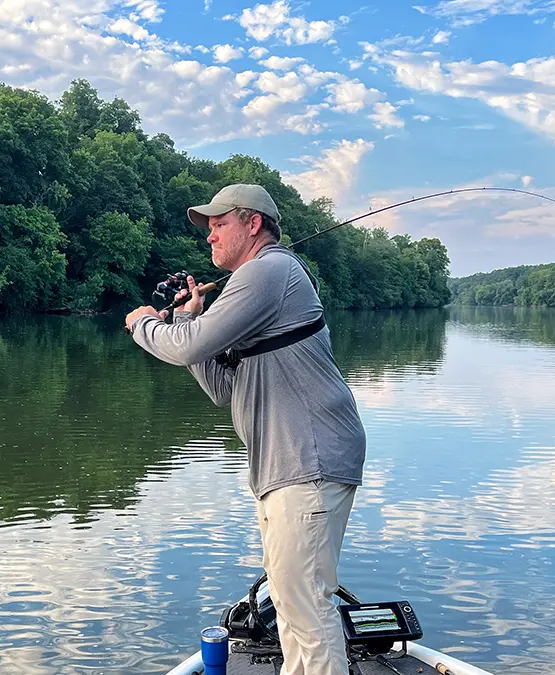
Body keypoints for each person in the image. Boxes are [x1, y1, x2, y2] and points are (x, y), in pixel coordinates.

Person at [124, 183, 367, 675]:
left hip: (309, 458)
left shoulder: (268, 270)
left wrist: (146, 323)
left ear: (252, 223)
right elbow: (223, 387)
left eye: (218, 224)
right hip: (287, 463)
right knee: (290, 598)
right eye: (208, 228)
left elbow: (185, 346)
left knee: (305, 602)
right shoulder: (257, 282)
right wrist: (195, 321)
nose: (209, 237)